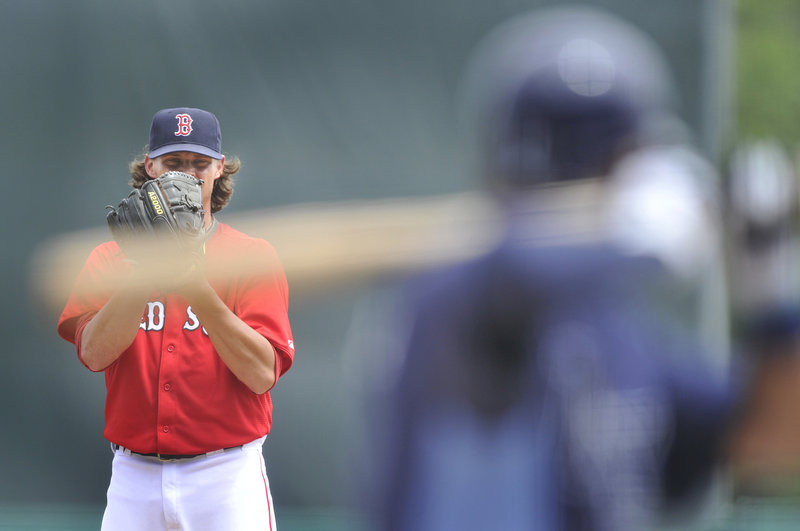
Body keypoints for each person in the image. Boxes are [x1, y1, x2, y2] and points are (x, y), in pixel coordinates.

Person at [360, 7, 738, 531]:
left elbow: (765, 429)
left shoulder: (619, 333)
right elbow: (512, 275)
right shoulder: (455, 296)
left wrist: (772, 291)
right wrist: (639, 237)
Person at [57, 107, 295, 530]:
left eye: (199, 163)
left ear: (219, 168)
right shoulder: (110, 259)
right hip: (134, 477)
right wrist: (144, 270)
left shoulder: (251, 258)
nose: (187, 175)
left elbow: (262, 373)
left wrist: (194, 283)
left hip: (225, 478)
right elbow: (93, 354)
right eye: (173, 163)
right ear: (150, 166)